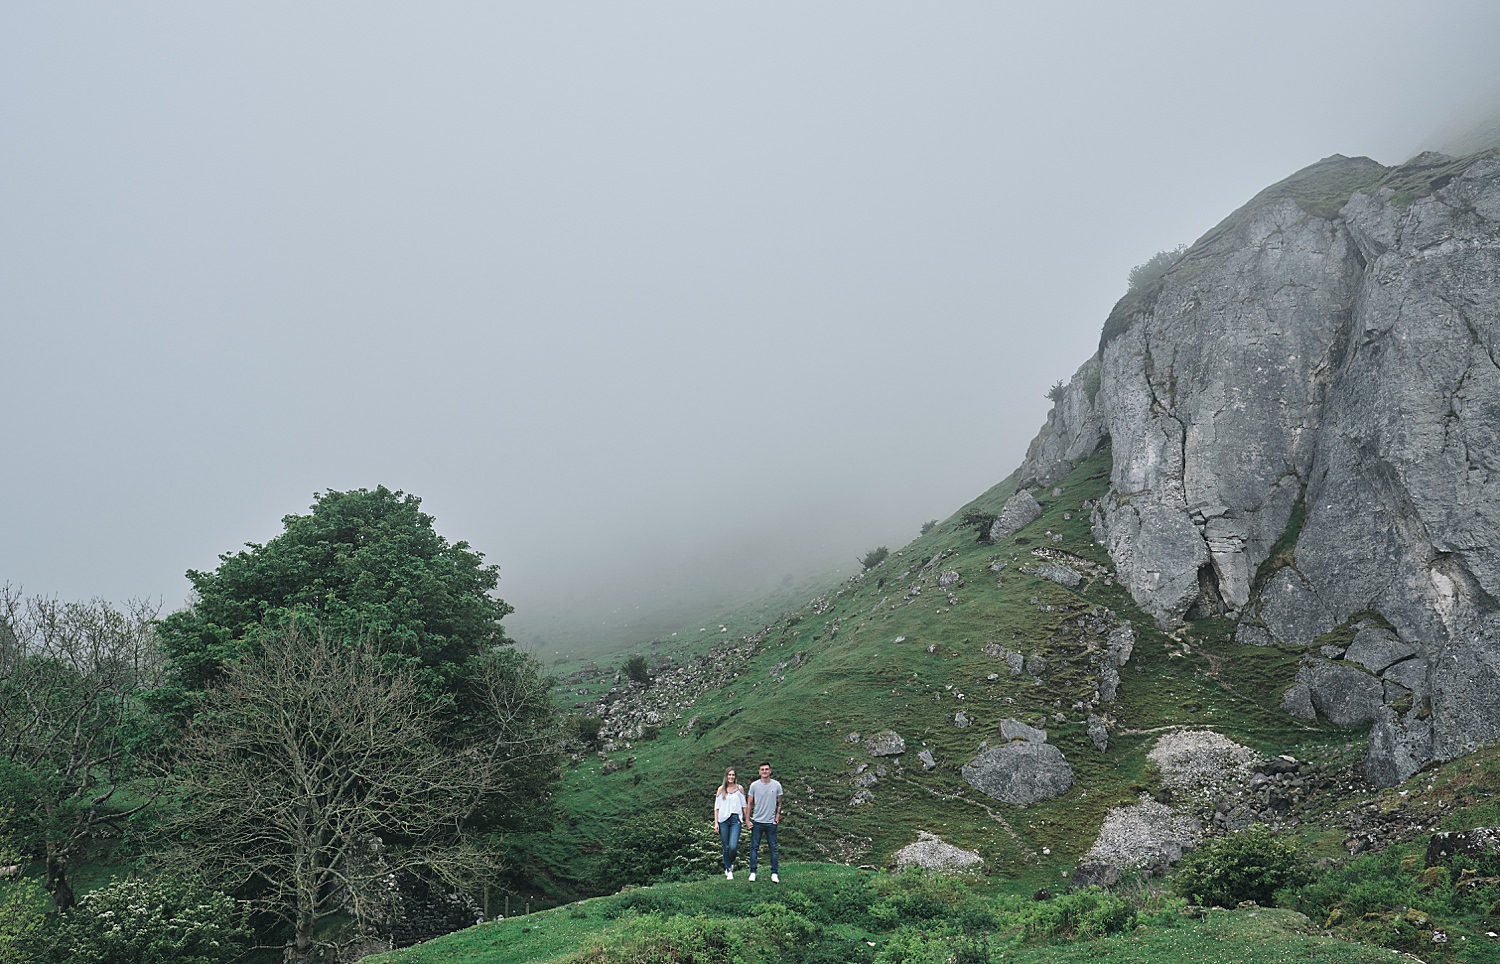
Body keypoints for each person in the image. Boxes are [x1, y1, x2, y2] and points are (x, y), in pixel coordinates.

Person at [745, 761, 783, 882]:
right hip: (757, 821)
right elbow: (749, 803)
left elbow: (780, 802)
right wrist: (747, 820)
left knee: (773, 848)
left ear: (770, 771)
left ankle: (774, 873)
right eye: (762, 769)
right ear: (759, 772)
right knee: (754, 847)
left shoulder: (777, 785)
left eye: (767, 769)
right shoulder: (754, 786)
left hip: (771, 822)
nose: (765, 771)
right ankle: (753, 872)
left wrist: (777, 817)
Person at [712, 767, 749, 879]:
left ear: (735, 777)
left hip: (735, 819)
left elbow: (744, 805)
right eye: (729, 775)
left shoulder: (739, 789)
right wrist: (716, 823)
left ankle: (731, 861)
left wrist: (747, 820)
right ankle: (729, 870)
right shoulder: (721, 789)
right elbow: (716, 807)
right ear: (726, 776)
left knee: (733, 846)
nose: (731, 777)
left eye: (733, 775)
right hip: (723, 819)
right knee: (726, 846)